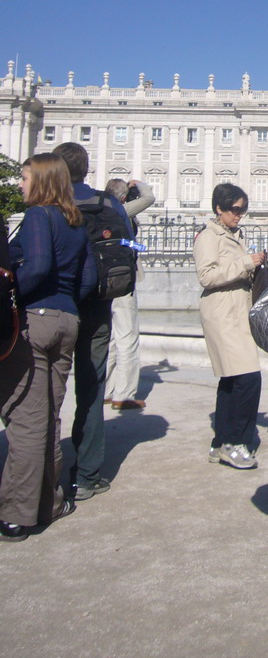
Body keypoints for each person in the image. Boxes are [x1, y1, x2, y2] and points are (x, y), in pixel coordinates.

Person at [0, 154, 96, 540]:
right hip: (67, 321)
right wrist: (65, 303)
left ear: (40, 181)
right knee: (49, 416)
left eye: (24, 178)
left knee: (25, 420)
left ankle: (16, 513)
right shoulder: (76, 220)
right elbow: (88, 279)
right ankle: (48, 502)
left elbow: (37, 266)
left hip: (35, 321)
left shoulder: (40, 216)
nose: (20, 185)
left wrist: (10, 299)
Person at [52, 142, 131, 501]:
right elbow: (127, 241)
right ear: (86, 168)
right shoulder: (109, 203)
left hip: (53, 305)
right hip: (98, 305)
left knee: (44, 393)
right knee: (92, 388)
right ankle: (87, 474)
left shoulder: (48, 204)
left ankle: (42, 474)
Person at [193, 183, 267, 469]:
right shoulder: (207, 236)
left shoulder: (233, 234)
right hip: (222, 313)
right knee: (249, 378)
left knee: (230, 380)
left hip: (237, 311)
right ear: (218, 209)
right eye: (235, 209)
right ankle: (236, 443)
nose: (240, 215)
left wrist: (256, 264)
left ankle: (219, 442)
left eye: (243, 210)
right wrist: (246, 263)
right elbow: (207, 276)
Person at [104, 178, 155, 410]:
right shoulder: (120, 209)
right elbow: (148, 198)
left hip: (105, 279)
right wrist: (140, 183)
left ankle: (106, 389)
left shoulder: (102, 210)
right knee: (128, 337)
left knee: (113, 337)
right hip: (122, 280)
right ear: (124, 197)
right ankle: (123, 394)